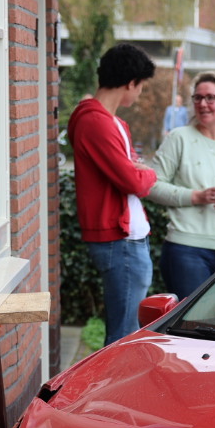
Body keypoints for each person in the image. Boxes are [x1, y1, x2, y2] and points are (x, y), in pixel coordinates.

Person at [67, 43, 158, 343]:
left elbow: (132, 169)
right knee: (123, 337)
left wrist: (138, 171)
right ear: (131, 83)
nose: (140, 93)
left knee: (127, 332)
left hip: (127, 240)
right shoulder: (95, 121)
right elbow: (134, 180)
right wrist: (150, 173)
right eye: (141, 86)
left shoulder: (113, 122)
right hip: (120, 243)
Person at [145, 71, 215, 297]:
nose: (203, 104)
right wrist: (197, 197)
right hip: (186, 249)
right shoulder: (178, 138)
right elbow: (152, 186)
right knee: (195, 320)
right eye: (198, 98)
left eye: (210, 98)